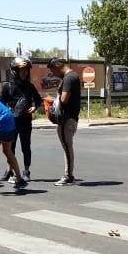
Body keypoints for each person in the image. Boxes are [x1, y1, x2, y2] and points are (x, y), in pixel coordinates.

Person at [0, 57, 42, 182]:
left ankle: (26, 171)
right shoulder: (7, 86)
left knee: (25, 146)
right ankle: (9, 170)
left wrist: (34, 107)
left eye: (26, 70)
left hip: (25, 121)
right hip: (11, 121)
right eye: (21, 70)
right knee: (9, 147)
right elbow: (2, 102)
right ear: (14, 71)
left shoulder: (29, 86)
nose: (24, 73)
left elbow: (38, 99)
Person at [47, 58, 81, 186]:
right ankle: (69, 174)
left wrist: (52, 101)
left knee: (67, 147)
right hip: (69, 118)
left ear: (57, 66)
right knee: (67, 147)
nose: (54, 74)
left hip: (67, 118)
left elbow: (64, 99)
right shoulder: (71, 76)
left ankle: (68, 176)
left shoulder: (69, 78)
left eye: (53, 70)